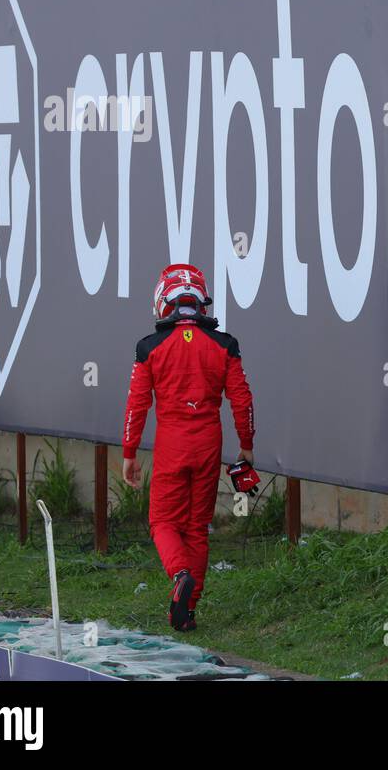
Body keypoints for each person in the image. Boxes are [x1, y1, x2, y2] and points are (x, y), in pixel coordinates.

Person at [121, 263, 255, 631]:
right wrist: (246, 445)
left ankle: (179, 574)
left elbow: (136, 406)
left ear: (164, 302)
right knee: (197, 527)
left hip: (172, 443)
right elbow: (242, 400)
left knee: (163, 521)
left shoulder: (149, 348)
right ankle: (187, 614)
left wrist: (129, 452)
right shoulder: (225, 345)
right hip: (210, 441)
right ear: (201, 301)